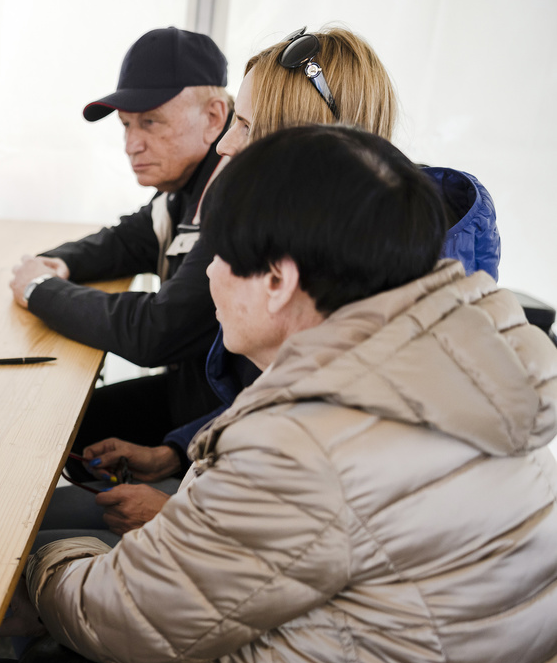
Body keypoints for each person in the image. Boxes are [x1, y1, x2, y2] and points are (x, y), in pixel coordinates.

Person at [0, 126, 557, 663]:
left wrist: (28, 562)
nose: (206, 275)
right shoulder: (465, 371)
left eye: (217, 257)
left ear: (278, 280)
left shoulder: (308, 442)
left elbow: (123, 617)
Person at [55, 26, 501, 542]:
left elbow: (334, 519)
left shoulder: (383, 286)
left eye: (245, 125)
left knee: (45, 542)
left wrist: (180, 513)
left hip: (277, 539)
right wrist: (177, 451)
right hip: (234, 486)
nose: (226, 146)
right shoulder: (339, 238)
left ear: (307, 145)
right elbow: (271, 398)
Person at [7, 26, 232, 455]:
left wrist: (39, 288)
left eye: (150, 122)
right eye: (126, 124)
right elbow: (128, 240)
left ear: (214, 117)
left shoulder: (234, 196)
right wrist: (61, 262)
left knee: (44, 428)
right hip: (194, 401)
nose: (131, 144)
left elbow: (157, 331)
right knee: (48, 421)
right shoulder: (184, 186)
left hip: (221, 423)